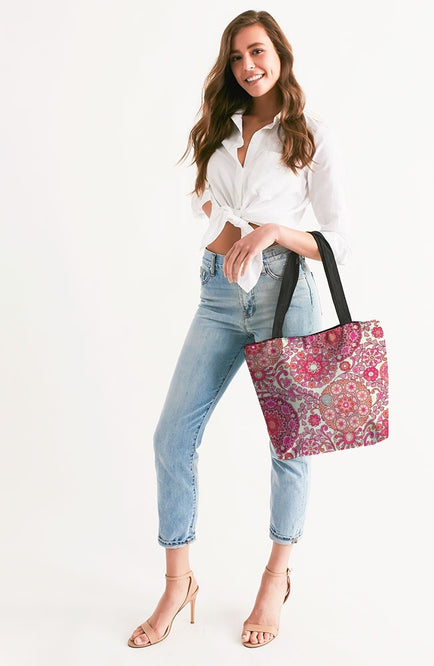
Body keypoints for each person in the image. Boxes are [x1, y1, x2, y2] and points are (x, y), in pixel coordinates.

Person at [128, 9, 351, 650]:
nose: (247, 66)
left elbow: (339, 239)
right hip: (220, 292)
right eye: (236, 56)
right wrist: (227, 229)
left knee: (289, 445)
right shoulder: (221, 128)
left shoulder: (309, 133)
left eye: (257, 51)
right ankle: (178, 584)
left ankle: (276, 580)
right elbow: (202, 197)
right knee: (172, 437)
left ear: (279, 53)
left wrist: (275, 230)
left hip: (286, 295)